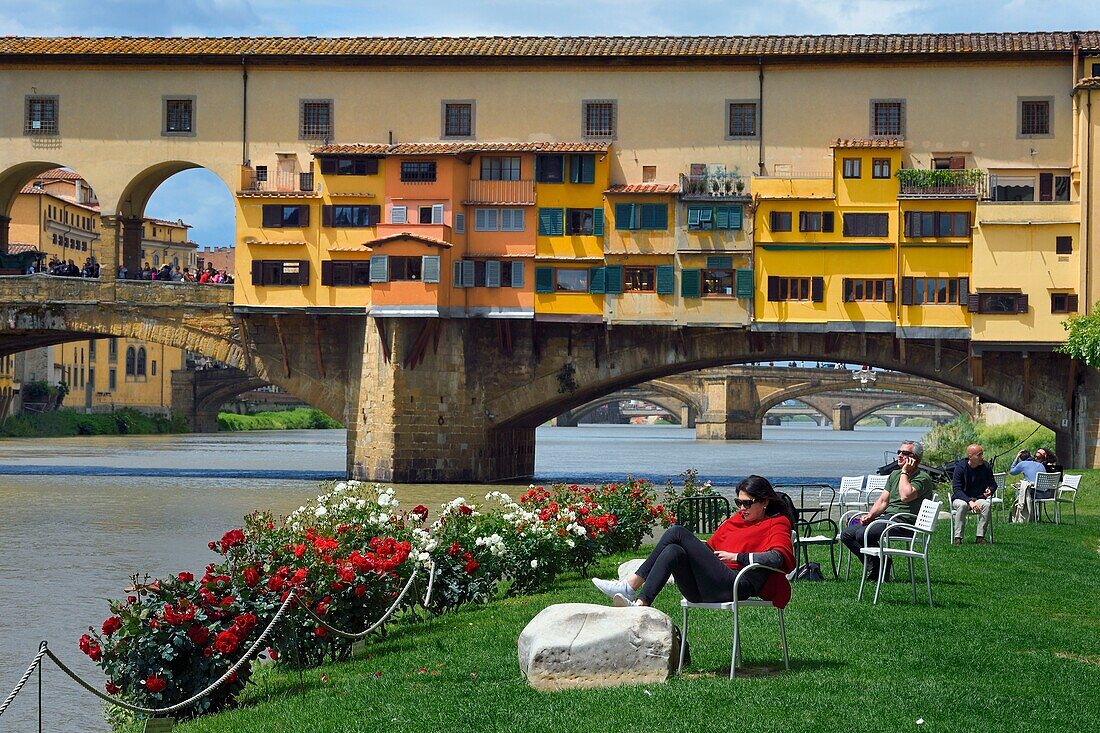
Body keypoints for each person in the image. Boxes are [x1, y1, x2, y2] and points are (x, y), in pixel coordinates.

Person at [590, 475, 795, 607]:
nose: (742, 508)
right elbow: (711, 547)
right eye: (738, 502)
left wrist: (737, 557)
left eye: (748, 503)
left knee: (677, 532)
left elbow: (777, 557)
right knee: (673, 550)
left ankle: (629, 586)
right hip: (704, 589)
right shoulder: (736, 521)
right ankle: (641, 604)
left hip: (737, 584)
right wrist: (695, 549)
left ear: (765, 502)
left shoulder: (777, 523)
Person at [841, 440, 935, 579]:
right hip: (888, 519)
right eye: (899, 452)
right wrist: (870, 515)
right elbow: (883, 500)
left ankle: (879, 568)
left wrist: (905, 473)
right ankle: (879, 564)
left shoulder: (922, 478)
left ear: (914, 458)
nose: (900, 455)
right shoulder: (894, 475)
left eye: (905, 453)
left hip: (906, 523)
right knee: (847, 535)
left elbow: (905, 496)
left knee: (862, 534)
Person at [950, 444, 996, 544]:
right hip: (960, 498)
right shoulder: (960, 467)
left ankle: (980, 537)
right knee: (962, 505)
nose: (982, 457)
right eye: (979, 455)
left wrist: (990, 490)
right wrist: (969, 501)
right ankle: (958, 538)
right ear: (970, 456)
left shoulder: (985, 466)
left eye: (982, 454)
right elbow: (957, 489)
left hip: (978, 498)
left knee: (986, 505)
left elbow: (993, 483)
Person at [1009, 450, 1047, 523]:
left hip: (1034, 494)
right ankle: (1033, 516)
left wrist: (1016, 458)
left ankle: (1021, 516)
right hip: (1045, 493)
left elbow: (1012, 471)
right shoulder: (1040, 464)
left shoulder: (1022, 464)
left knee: (1020, 491)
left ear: (1021, 458)